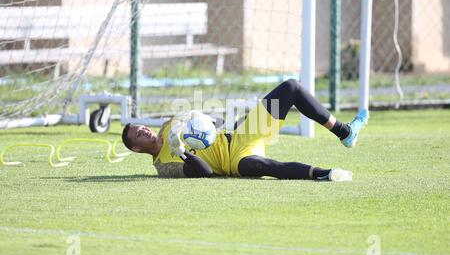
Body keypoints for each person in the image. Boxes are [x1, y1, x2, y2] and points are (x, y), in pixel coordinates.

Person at [121, 79, 369, 181]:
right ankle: (326, 174)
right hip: (234, 161)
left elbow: (210, 122)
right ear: (136, 148)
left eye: (142, 127)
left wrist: (208, 121)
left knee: (291, 88)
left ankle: (345, 132)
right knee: (262, 166)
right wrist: (183, 151)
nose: (145, 131)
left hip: (242, 134)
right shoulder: (164, 168)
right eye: (139, 134)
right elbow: (205, 173)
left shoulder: (168, 126)